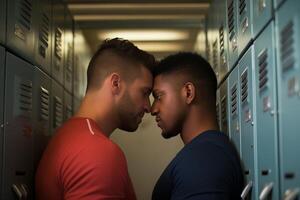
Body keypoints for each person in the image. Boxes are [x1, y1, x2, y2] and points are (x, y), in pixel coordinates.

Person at [35, 38, 156, 200]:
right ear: (115, 83)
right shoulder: (97, 151)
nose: (148, 107)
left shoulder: (69, 135)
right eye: (144, 93)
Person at [151, 52, 244, 200]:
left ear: (188, 92)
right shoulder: (205, 153)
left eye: (158, 96)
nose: (153, 109)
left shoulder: (203, 160)